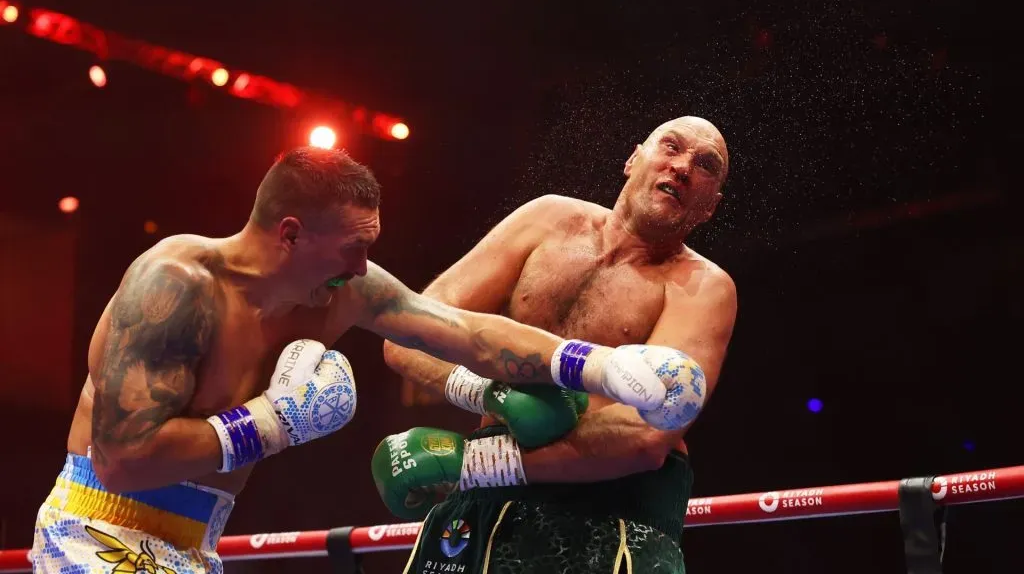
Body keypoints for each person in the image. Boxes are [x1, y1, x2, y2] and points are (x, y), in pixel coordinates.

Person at [28, 147, 681, 574]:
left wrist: (595, 367)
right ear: (290, 234)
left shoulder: (341, 291)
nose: (362, 268)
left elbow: (467, 333)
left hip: (196, 541)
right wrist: (274, 422)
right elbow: (119, 459)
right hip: (98, 528)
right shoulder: (175, 286)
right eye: (350, 248)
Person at [377, 116, 737, 573]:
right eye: (671, 146)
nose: (683, 166)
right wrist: (489, 393)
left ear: (710, 207)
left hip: (611, 511)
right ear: (633, 158)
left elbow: (645, 436)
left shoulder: (703, 288)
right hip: (483, 504)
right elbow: (412, 330)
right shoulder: (546, 220)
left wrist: (475, 462)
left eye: (705, 165)